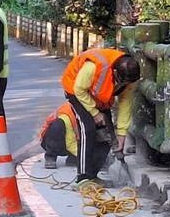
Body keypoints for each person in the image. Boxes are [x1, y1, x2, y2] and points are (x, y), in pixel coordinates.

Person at [60, 49, 140, 184]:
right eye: (122, 82)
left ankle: (93, 175)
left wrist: (121, 135)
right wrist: (94, 113)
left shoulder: (130, 78)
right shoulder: (93, 67)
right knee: (88, 129)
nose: (125, 86)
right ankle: (83, 178)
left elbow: (125, 104)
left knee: (107, 135)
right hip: (76, 91)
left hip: (99, 98)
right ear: (115, 73)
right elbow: (79, 89)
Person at [39, 102, 80, 169]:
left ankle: (72, 159)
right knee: (57, 127)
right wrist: (86, 157)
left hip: (68, 139)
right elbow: (70, 143)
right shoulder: (68, 115)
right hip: (51, 140)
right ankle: (50, 156)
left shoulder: (81, 110)